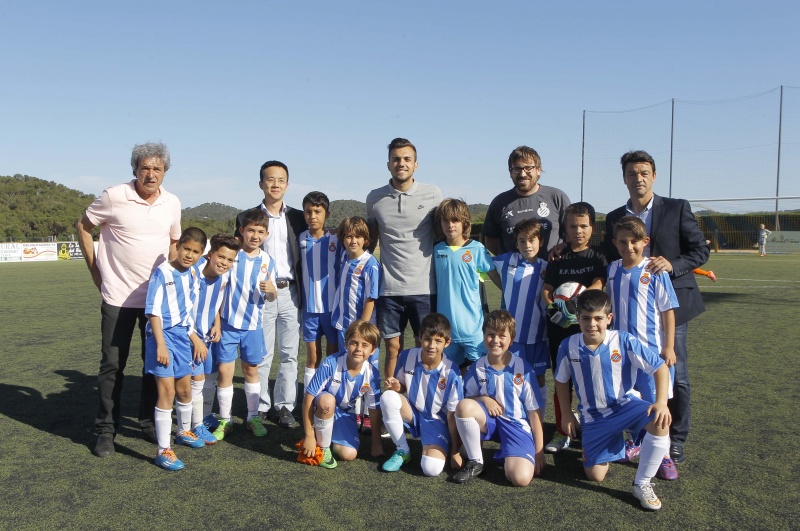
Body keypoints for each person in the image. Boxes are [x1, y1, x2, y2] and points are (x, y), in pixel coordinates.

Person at [603, 150, 709, 464]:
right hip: (629, 311)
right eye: (632, 174)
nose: (639, 179)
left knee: (675, 375)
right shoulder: (613, 218)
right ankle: (639, 435)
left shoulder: (677, 208)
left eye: (644, 172)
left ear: (654, 175)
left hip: (669, 308)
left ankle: (674, 440)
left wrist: (671, 265)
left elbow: (700, 252)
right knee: (629, 377)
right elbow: (602, 256)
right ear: (624, 178)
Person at [76, 142, 181, 457]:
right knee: (112, 366)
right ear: (135, 169)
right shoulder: (113, 196)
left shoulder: (172, 203)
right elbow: (83, 226)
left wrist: (170, 285)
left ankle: (148, 423)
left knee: (153, 365)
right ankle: (106, 431)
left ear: (165, 172)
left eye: (157, 169)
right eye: (145, 168)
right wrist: (97, 273)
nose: (151, 174)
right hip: (118, 297)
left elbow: (174, 241)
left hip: (155, 303)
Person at [554, 290, 672, 511]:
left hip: (625, 406)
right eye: (586, 318)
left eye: (598, 318)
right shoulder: (567, 346)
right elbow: (561, 381)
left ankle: (642, 483)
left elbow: (660, 367)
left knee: (660, 419)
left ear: (608, 319)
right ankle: (617, 444)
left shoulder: (624, 340)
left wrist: (662, 401)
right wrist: (567, 413)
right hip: (593, 417)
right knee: (595, 476)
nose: (592, 324)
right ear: (577, 318)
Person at [235, 160, 307, 429]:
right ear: (261, 184)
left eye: (281, 180)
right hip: (259, 294)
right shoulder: (247, 217)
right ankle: (261, 405)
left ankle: (285, 406)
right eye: (270, 179)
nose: (275, 184)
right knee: (262, 353)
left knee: (289, 354)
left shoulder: (298, 217)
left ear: (287, 185)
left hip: (290, 292)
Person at [607, 216, 679, 480]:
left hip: (650, 353)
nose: (629, 247)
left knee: (655, 403)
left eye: (635, 241)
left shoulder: (654, 270)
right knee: (627, 399)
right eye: (623, 242)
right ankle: (636, 443)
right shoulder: (612, 269)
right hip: (621, 354)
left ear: (645, 242)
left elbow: (668, 311)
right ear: (615, 243)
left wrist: (669, 347)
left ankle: (665, 455)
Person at [366, 138, 442, 379]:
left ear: (416, 165)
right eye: (396, 159)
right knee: (392, 349)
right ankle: (388, 401)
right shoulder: (375, 198)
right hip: (389, 290)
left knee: (426, 348)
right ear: (388, 164)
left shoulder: (433, 194)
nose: (401, 163)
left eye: (407, 159)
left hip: (424, 289)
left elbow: (443, 236)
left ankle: (422, 402)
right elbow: (371, 240)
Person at [541, 202, 608, 454]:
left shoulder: (598, 256)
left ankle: (593, 428)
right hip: (560, 329)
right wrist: (554, 309)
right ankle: (562, 431)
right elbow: (547, 290)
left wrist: (576, 305)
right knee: (562, 379)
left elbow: (598, 283)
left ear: (592, 228)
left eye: (583, 226)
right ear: (565, 230)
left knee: (593, 379)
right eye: (572, 226)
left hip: (589, 331)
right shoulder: (558, 258)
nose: (578, 231)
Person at [452, 310, 545, 487]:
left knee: (520, 479)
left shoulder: (523, 369)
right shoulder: (477, 367)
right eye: (490, 335)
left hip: (516, 424)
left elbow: (534, 412)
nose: (495, 341)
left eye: (502, 336)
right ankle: (476, 460)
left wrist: (539, 451)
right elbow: (468, 398)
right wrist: (484, 399)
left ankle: (511, 453)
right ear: (484, 335)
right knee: (464, 406)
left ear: (511, 339)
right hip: (490, 421)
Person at [144, 228, 208, 470]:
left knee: (185, 390)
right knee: (167, 393)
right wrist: (160, 343)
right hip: (163, 337)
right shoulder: (162, 272)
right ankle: (163, 450)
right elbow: (153, 310)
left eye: (196, 252)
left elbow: (187, 312)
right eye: (186, 249)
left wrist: (194, 338)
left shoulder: (193, 274)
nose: (189, 255)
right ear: (178, 247)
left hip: (182, 337)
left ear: (201, 255)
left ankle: (183, 431)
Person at [212, 208, 277, 440]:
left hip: (253, 326)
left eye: (260, 231)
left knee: (251, 371)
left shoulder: (268, 260)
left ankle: (252, 417)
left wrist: (272, 292)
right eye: (251, 230)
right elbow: (219, 291)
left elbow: (271, 295)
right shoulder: (233, 256)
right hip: (228, 325)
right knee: (225, 372)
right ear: (242, 231)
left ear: (267, 234)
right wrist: (217, 322)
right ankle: (225, 419)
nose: (255, 236)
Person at [380, 313, 464, 476]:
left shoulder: (452, 371)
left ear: (447, 343)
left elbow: (453, 415)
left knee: (430, 470)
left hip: (437, 421)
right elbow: (402, 386)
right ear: (420, 337)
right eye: (427, 339)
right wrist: (397, 386)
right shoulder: (406, 356)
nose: (431, 345)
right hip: (413, 413)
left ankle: (438, 446)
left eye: (438, 341)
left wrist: (455, 451)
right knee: (388, 397)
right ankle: (402, 450)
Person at [299, 320, 384, 469]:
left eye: (365, 345)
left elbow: (374, 410)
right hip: (323, 407)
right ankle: (323, 447)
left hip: (345, 413)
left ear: (373, 350)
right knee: (327, 400)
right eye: (354, 343)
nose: (358, 349)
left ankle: (329, 436)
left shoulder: (372, 374)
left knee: (348, 455)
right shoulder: (330, 363)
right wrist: (309, 436)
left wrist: (376, 443)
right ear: (346, 343)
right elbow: (309, 396)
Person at [188, 234, 241, 444]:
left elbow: (215, 304)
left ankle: (203, 417)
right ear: (210, 255)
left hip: (206, 337)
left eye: (230, 260)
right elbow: (180, 311)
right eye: (221, 257)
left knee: (209, 376)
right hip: (189, 337)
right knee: (194, 382)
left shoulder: (225, 276)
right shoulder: (192, 275)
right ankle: (194, 426)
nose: (225, 263)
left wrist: (217, 323)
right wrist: (195, 338)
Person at [489, 218, 549, 400]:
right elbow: (483, 261)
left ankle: (537, 420)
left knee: (537, 378)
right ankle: (513, 418)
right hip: (510, 335)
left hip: (538, 335)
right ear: (516, 243)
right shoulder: (507, 260)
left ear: (541, 242)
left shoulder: (547, 267)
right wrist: (503, 285)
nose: (527, 245)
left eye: (532, 240)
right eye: (522, 240)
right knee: (509, 375)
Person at [433, 198, 495, 370]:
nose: (450, 225)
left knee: (480, 374)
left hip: (473, 327)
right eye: (445, 220)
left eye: (455, 220)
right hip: (446, 329)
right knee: (450, 375)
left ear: (464, 222)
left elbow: (495, 276)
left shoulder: (477, 249)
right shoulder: (436, 250)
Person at [482, 145, 571, 258]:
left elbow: (571, 233)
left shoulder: (557, 197)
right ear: (510, 172)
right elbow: (490, 240)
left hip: (552, 273)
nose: (523, 174)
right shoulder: (499, 202)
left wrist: (564, 245)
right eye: (517, 169)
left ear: (538, 170)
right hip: (514, 274)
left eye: (528, 168)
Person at [298, 192, 341, 389]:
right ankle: (311, 395)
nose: (312, 216)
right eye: (308, 212)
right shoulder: (301, 238)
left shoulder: (335, 239)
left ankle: (329, 393)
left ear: (327, 214)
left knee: (332, 354)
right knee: (313, 356)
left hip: (332, 309)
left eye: (317, 211)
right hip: (309, 309)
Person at [331, 217, 380, 350]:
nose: (353, 241)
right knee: (346, 366)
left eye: (358, 236)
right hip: (343, 325)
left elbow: (371, 298)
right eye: (349, 236)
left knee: (365, 367)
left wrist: (362, 327)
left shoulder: (370, 264)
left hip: (363, 329)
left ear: (365, 239)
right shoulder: (344, 257)